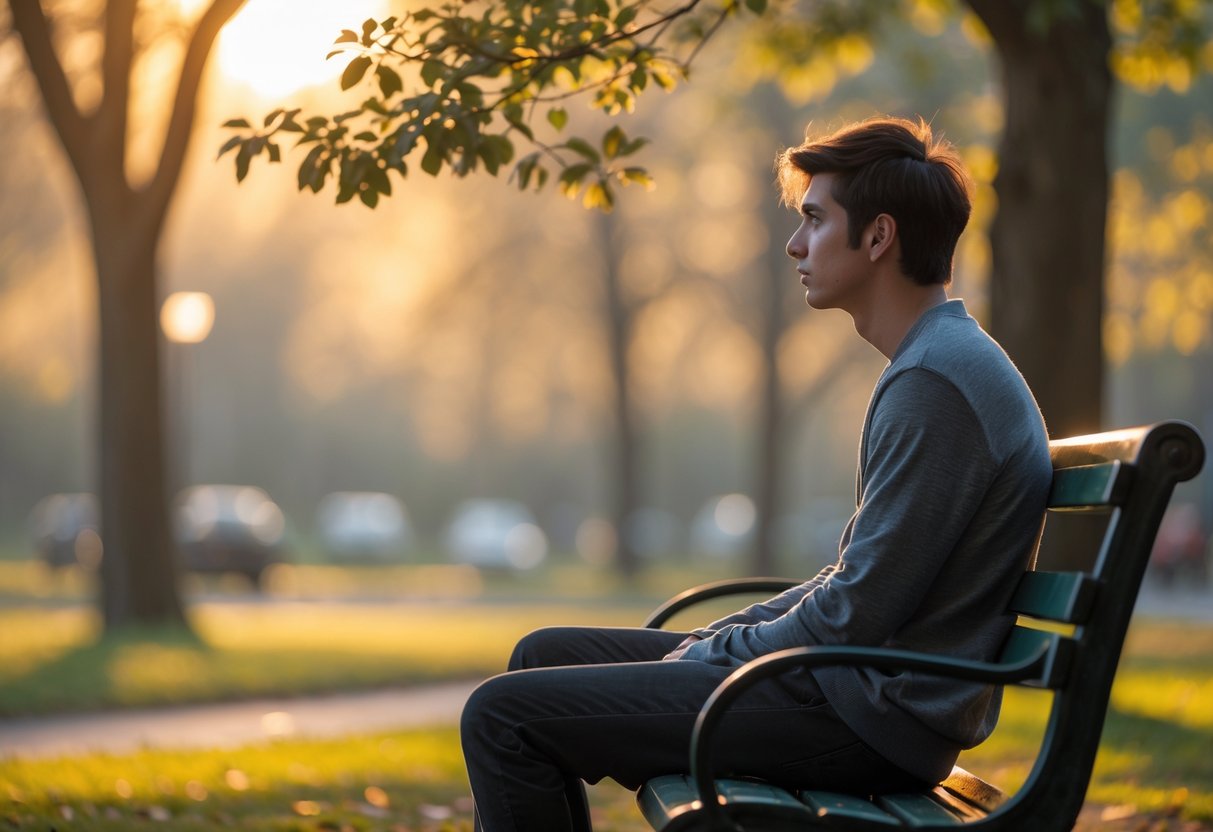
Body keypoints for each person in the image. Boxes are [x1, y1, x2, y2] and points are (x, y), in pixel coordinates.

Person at [460, 115, 1053, 832]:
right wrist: (729, 636)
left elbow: (854, 610)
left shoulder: (935, 383)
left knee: (499, 716)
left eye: (813, 219)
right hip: (854, 691)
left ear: (877, 237)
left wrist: (721, 649)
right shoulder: (938, 362)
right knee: (542, 655)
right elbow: (854, 587)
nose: (794, 244)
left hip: (867, 721)